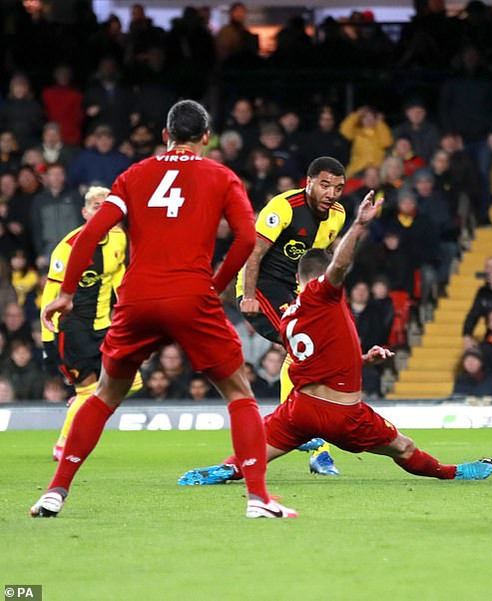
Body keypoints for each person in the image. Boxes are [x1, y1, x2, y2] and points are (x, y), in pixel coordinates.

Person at [32, 100, 296, 519]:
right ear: (206, 137)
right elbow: (246, 238)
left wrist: (65, 292)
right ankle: (258, 498)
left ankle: (54, 492)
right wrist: (216, 283)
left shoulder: (134, 175)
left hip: (137, 298)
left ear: (164, 135)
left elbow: (90, 233)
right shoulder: (221, 176)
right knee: (239, 395)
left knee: (102, 396)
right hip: (192, 296)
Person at [179, 193, 492, 486]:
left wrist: (360, 360)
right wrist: (358, 225)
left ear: (296, 278)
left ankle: (220, 471)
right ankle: (453, 473)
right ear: (320, 276)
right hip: (343, 415)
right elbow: (340, 264)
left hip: (299, 410)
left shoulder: (287, 315)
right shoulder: (321, 295)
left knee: (254, 454)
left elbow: (319, 359)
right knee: (403, 448)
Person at [236, 156, 351, 475]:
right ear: (309, 182)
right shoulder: (283, 207)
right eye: (325, 185)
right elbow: (253, 253)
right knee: (302, 346)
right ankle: (296, 427)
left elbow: (320, 258)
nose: (332, 193)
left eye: (338, 188)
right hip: (260, 288)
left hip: (294, 288)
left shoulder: (338, 216)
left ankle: (318, 450)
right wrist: (247, 296)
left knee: (318, 353)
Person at [41, 185, 144, 461]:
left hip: (105, 325)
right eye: (97, 206)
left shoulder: (119, 238)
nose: (103, 211)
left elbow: (119, 272)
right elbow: (50, 297)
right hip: (73, 328)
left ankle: (81, 405)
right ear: (85, 212)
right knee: (88, 390)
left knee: (134, 382)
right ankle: (62, 444)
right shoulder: (67, 248)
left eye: (108, 206)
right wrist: (47, 340)